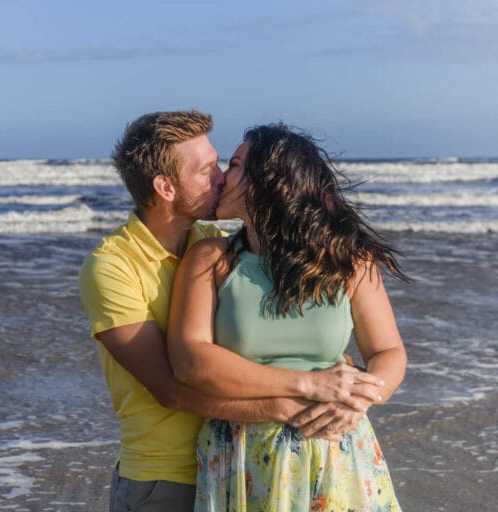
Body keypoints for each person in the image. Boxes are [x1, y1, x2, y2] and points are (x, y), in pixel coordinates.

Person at [79, 112, 384, 511]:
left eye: (225, 163)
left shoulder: (215, 245)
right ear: (165, 187)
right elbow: (173, 389)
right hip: (165, 476)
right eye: (208, 170)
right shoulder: (112, 267)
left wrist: (340, 370)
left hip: (243, 464)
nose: (222, 177)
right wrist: (290, 402)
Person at [167, 123, 408, 511]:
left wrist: (360, 400)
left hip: (337, 450)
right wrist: (309, 385)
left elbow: (389, 350)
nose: (223, 178)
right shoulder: (212, 259)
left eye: (236, 165)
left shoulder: (351, 260)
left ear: (270, 181)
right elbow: (190, 361)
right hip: (242, 452)